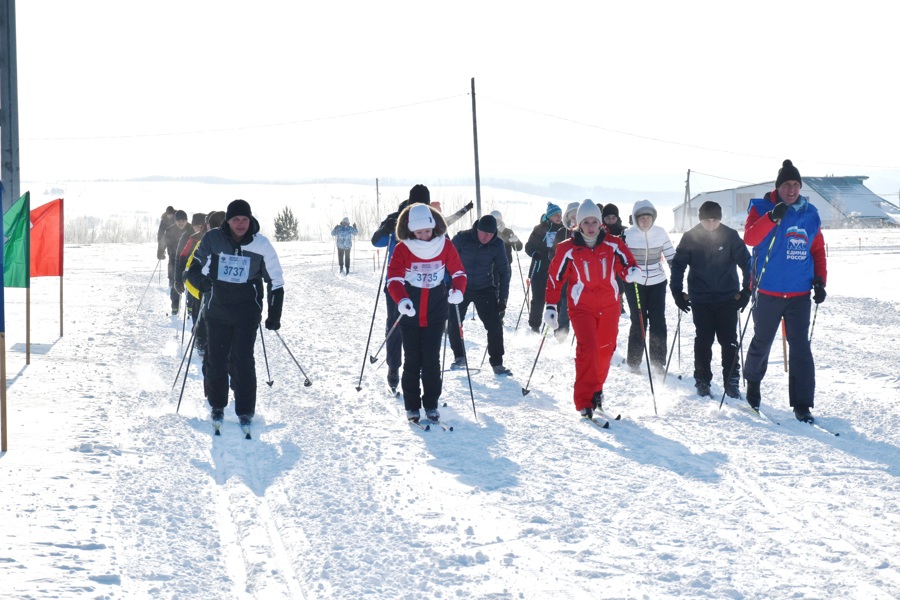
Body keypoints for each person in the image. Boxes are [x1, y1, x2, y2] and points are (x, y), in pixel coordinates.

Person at [186, 199, 285, 431]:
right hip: (217, 309)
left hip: (246, 312)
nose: (240, 224)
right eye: (235, 219)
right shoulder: (213, 239)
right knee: (216, 360)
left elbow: (276, 281)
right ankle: (217, 405)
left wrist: (274, 314)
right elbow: (193, 269)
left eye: (244, 219)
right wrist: (202, 283)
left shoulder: (261, 245)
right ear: (228, 221)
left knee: (243, 360)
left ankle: (245, 410)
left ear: (250, 220)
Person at [743, 160, 827, 422]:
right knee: (762, 342)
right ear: (778, 187)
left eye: (796, 185)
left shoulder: (810, 213)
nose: (792, 189)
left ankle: (802, 404)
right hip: (768, 291)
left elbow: (817, 250)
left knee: (801, 347)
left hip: (799, 294)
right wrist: (771, 218)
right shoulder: (761, 208)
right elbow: (750, 239)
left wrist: (820, 281)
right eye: (787, 184)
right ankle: (753, 388)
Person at [544, 199, 641, 418]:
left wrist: (632, 272)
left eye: (594, 221)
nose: (590, 226)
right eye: (585, 222)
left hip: (609, 306)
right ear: (577, 224)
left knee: (605, 350)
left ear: (600, 223)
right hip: (581, 307)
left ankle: (597, 390)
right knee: (588, 349)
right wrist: (550, 305)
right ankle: (584, 401)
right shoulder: (567, 248)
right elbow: (554, 278)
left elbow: (627, 264)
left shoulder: (613, 244)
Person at [386, 203, 466, 423]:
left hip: (436, 308)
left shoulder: (445, 246)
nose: (423, 236)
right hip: (410, 310)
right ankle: (412, 406)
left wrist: (458, 290)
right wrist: (401, 300)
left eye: (427, 231)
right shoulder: (403, 248)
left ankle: (431, 403)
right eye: (419, 232)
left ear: (434, 227)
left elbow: (459, 272)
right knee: (413, 359)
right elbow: (393, 278)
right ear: (410, 230)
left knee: (431, 359)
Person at [669, 201, 752, 398]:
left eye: (715, 220)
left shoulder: (730, 236)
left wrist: (746, 291)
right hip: (701, 298)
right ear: (701, 220)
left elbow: (748, 265)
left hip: (728, 298)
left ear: (720, 219)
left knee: (728, 340)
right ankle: (702, 380)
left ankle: (731, 381)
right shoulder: (690, 237)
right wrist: (677, 292)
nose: (711, 224)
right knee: (704, 339)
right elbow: (678, 266)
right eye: (707, 220)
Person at [372, 184, 432, 392]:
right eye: (418, 203)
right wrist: (385, 229)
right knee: (396, 325)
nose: (421, 208)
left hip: (425, 282)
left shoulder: (430, 219)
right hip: (396, 282)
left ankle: (421, 368)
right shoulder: (396, 217)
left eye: (424, 204)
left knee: (423, 327)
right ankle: (393, 368)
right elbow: (376, 241)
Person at [447, 214, 513, 376]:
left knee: (495, 326)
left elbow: (505, 272)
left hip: (485, 288)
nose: (486, 237)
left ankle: (497, 362)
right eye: (483, 233)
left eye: (490, 235)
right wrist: (447, 285)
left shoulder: (497, 245)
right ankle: (459, 356)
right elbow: (446, 258)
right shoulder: (462, 238)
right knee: (455, 321)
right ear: (477, 229)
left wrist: (503, 298)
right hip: (461, 286)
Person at [622, 200, 676, 371]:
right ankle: (634, 361)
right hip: (635, 285)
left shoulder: (660, 233)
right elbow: (620, 260)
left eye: (648, 217)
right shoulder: (627, 235)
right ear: (635, 219)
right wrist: (627, 273)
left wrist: (678, 275)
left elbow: (671, 256)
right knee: (638, 321)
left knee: (658, 321)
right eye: (641, 218)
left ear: (653, 218)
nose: (645, 221)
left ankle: (658, 362)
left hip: (657, 283)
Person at [524, 202, 565, 332]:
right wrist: (534, 253)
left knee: (557, 300)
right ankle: (535, 326)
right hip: (539, 270)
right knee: (538, 299)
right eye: (555, 215)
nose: (558, 217)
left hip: (558, 270)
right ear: (549, 216)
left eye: (560, 215)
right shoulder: (540, 229)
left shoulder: (564, 230)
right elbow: (529, 246)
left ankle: (557, 327)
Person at [550, 201, 583, 341]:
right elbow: (552, 253)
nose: (575, 218)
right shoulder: (562, 232)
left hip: (579, 278)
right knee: (562, 305)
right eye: (572, 216)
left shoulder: (585, 233)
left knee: (574, 307)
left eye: (577, 215)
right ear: (568, 217)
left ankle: (578, 336)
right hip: (563, 276)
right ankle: (560, 335)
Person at [490, 209, 523, 319]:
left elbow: (519, 247)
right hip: (491, 265)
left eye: (498, 220)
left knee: (503, 289)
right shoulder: (488, 231)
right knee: (492, 289)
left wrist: (516, 241)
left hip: (505, 265)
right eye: (493, 220)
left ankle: (500, 314)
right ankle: (493, 313)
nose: (496, 222)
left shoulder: (507, 232)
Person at [602, 203, 627, 315]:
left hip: (620, 263)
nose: (611, 221)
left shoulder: (624, 231)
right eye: (608, 218)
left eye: (613, 218)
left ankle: (620, 301)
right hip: (604, 264)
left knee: (619, 283)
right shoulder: (600, 231)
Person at [163, 210, 190, 315]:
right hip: (173, 261)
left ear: (186, 221)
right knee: (175, 283)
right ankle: (175, 306)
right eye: (179, 221)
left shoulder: (191, 230)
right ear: (175, 221)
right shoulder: (169, 231)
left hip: (187, 262)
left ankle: (190, 307)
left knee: (189, 283)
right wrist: (160, 252)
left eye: (183, 220)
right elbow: (163, 242)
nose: (181, 223)